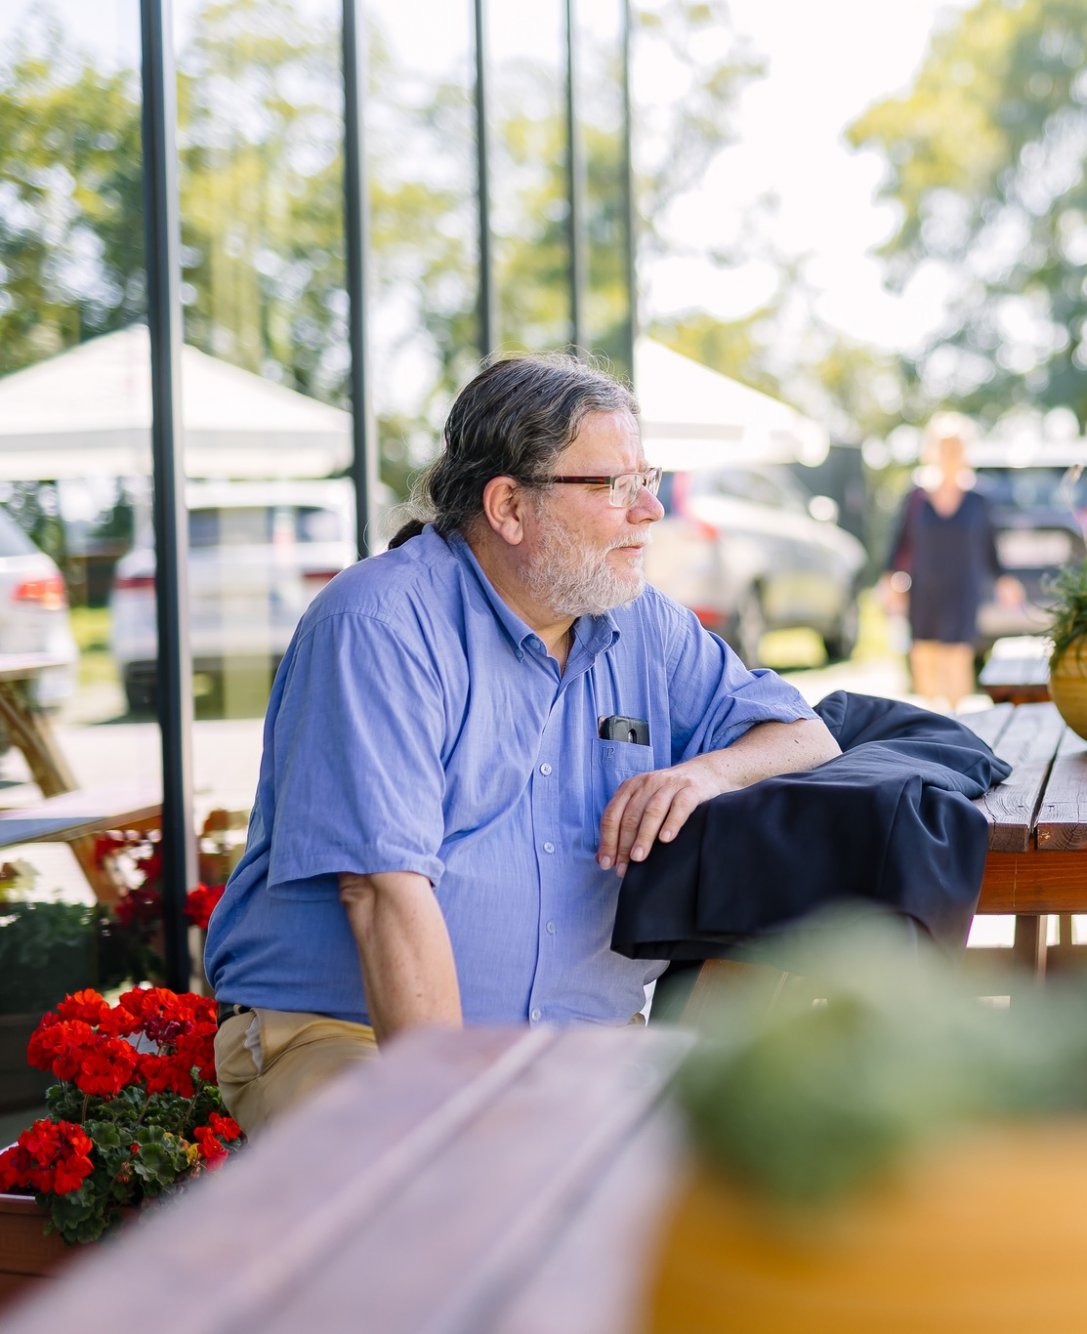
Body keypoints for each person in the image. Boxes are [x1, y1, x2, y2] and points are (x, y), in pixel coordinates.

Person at [204, 353, 840, 1133]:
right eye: (614, 486)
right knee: (424, 1190)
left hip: (580, 1047)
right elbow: (379, 895)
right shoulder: (378, 624)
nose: (649, 511)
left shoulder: (644, 622)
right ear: (508, 506)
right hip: (354, 1038)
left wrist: (709, 773)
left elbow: (806, 737)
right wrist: (454, 1126)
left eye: (648, 479)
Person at [882, 413, 1024, 710]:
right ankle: (928, 722)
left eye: (956, 447)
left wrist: (1004, 579)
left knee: (957, 657)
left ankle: (956, 721)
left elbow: (990, 546)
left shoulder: (978, 499)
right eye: (944, 446)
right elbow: (900, 543)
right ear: (932, 449)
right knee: (924, 656)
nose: (950, 453)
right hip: (924, 589)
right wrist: (890, 581)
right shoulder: (916, 496)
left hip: (963, 588)